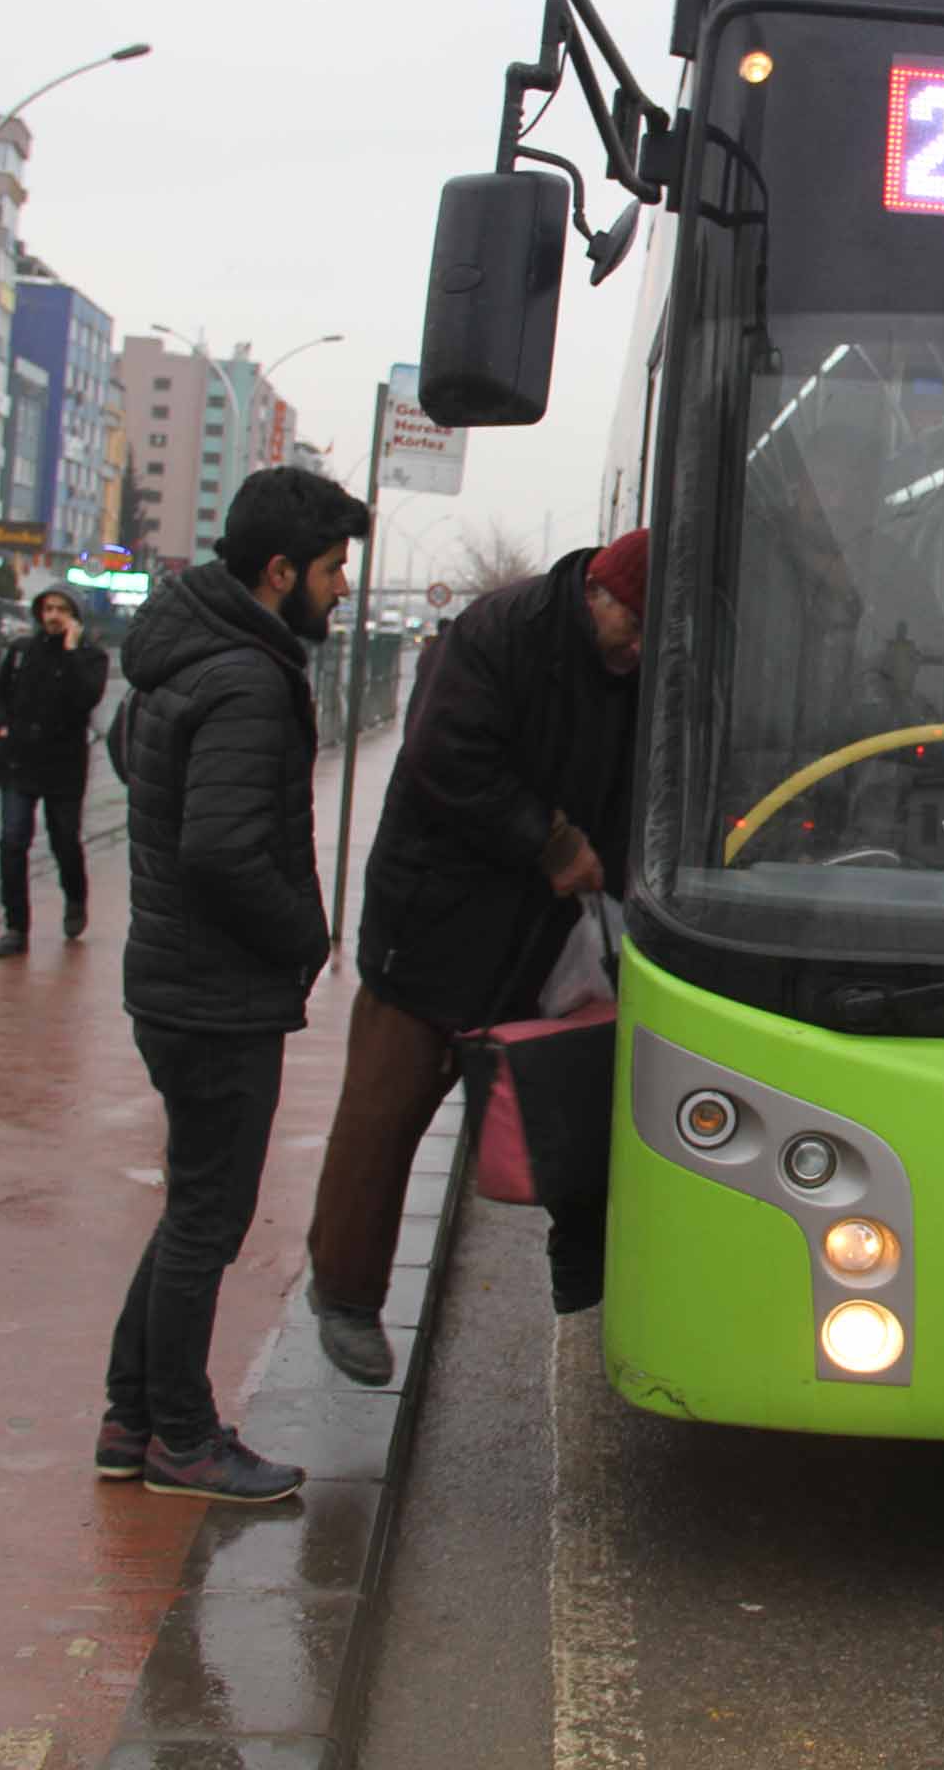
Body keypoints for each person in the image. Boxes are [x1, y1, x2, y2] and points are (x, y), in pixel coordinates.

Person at [303, 528, 646, 1382]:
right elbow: (444, 757)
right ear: (598, 595)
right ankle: (345, 1294)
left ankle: (584, 1282)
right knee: (386, 1109)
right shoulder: (499, 630)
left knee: (572, 1096)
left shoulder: (635, 665)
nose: (636, 650)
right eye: (631, 629)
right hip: (434, 920)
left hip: (548, 930)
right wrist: (553, 840)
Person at [98, 466, 368, 1503]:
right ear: (280, 570)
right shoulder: (250, 677)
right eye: (335, 568)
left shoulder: (185, 651)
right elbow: (220, 849)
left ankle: (132, 1417)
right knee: (208, 1219)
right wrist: (303, 932)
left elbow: (137, 760)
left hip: (174, 977)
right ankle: (181, 1434)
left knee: (191, 1211)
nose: (343, 588)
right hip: (214, 991)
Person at [0, 587, 111, 957]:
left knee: (64, 841)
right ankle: (16, 926)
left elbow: (85, 697)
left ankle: (75, 898)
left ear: (75, 615)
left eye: (62, 609)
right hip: (20, 760)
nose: (53, 616)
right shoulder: (23, 652)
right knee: (12, 841)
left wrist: (72, 650)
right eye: (48, 609)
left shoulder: (90, 657)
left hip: (64, 766)